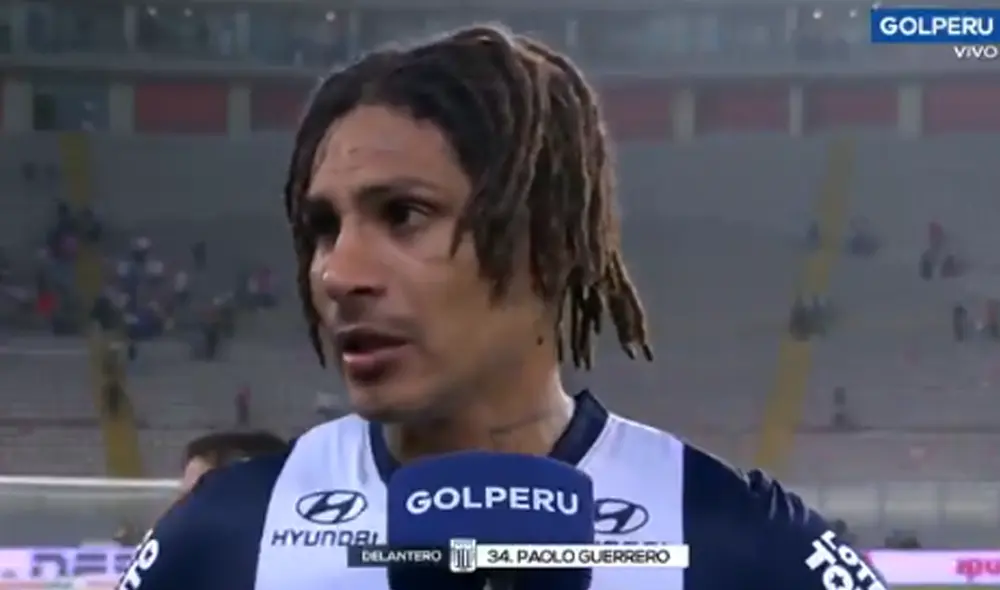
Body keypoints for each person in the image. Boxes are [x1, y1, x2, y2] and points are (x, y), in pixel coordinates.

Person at [124, 26, 883, 590]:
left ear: (543, 240)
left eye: (404, 215)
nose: (338, 273)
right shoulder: (224, 537)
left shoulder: (732, 541)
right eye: (325, 227)